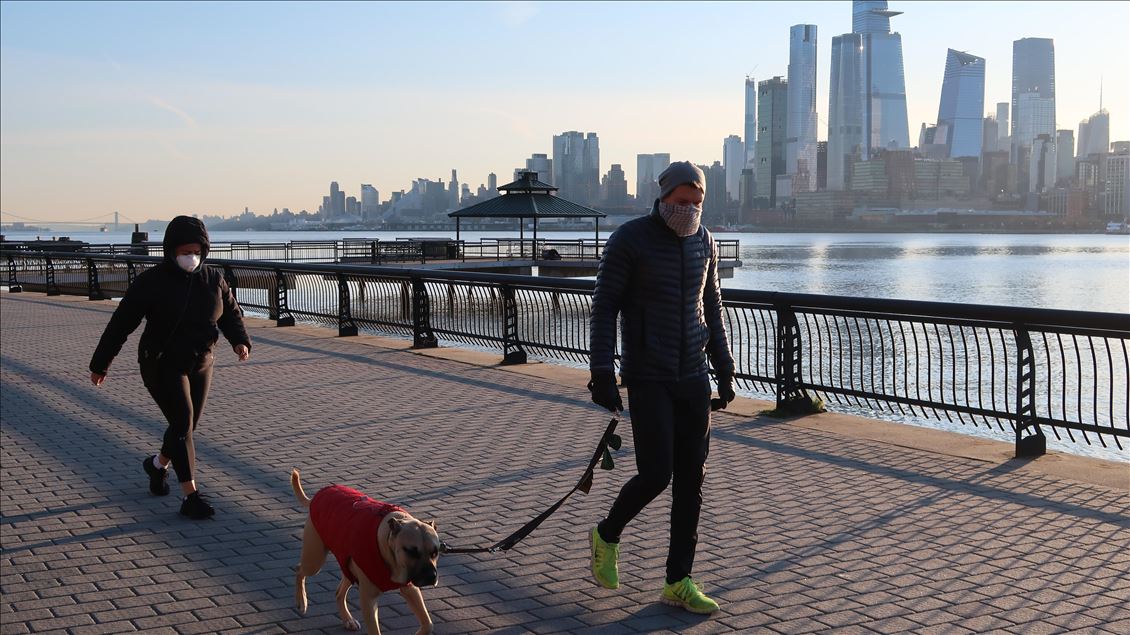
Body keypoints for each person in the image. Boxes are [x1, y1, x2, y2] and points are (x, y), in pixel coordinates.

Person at [587, 161, 736, 614]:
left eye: (697, 203)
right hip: (648, 375)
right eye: (680, 202)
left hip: (693, 375)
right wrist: (602, 372)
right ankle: (606, 533)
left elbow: (712, 304)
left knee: (692, 482)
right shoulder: (630, 239)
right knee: (656, 474)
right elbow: (606, 306)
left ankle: (679, 581)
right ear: (663, 197)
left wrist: (724, 366)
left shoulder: (705, 241)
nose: (688, 211)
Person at [89, 216, 251, 519]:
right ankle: (190, 495)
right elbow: (121, 324)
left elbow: (231, 313)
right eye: (183, 251)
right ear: (170, 251)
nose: (191, 257)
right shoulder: (151, 282)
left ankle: (157, 465)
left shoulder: (213, 279)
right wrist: (101, 363)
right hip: (160, 362)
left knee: (184, 427)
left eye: (196, 250)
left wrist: (240, 342)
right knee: (182, 420)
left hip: (202, 362)